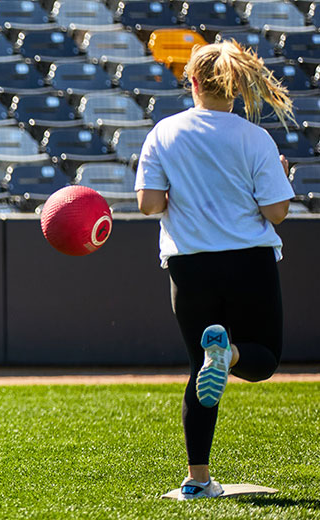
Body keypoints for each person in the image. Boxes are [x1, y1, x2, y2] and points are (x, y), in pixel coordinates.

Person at [134, 40, 295, 499]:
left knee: (196, 369)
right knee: (262, 357)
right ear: (237, 85)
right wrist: (281, 176)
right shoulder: (255, 138)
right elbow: (277, 212)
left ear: (193, 82)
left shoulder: (164, 132)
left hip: (190, 267)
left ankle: (197, 479)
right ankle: (231, 356)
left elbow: (149, 205)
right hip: (249, 261)